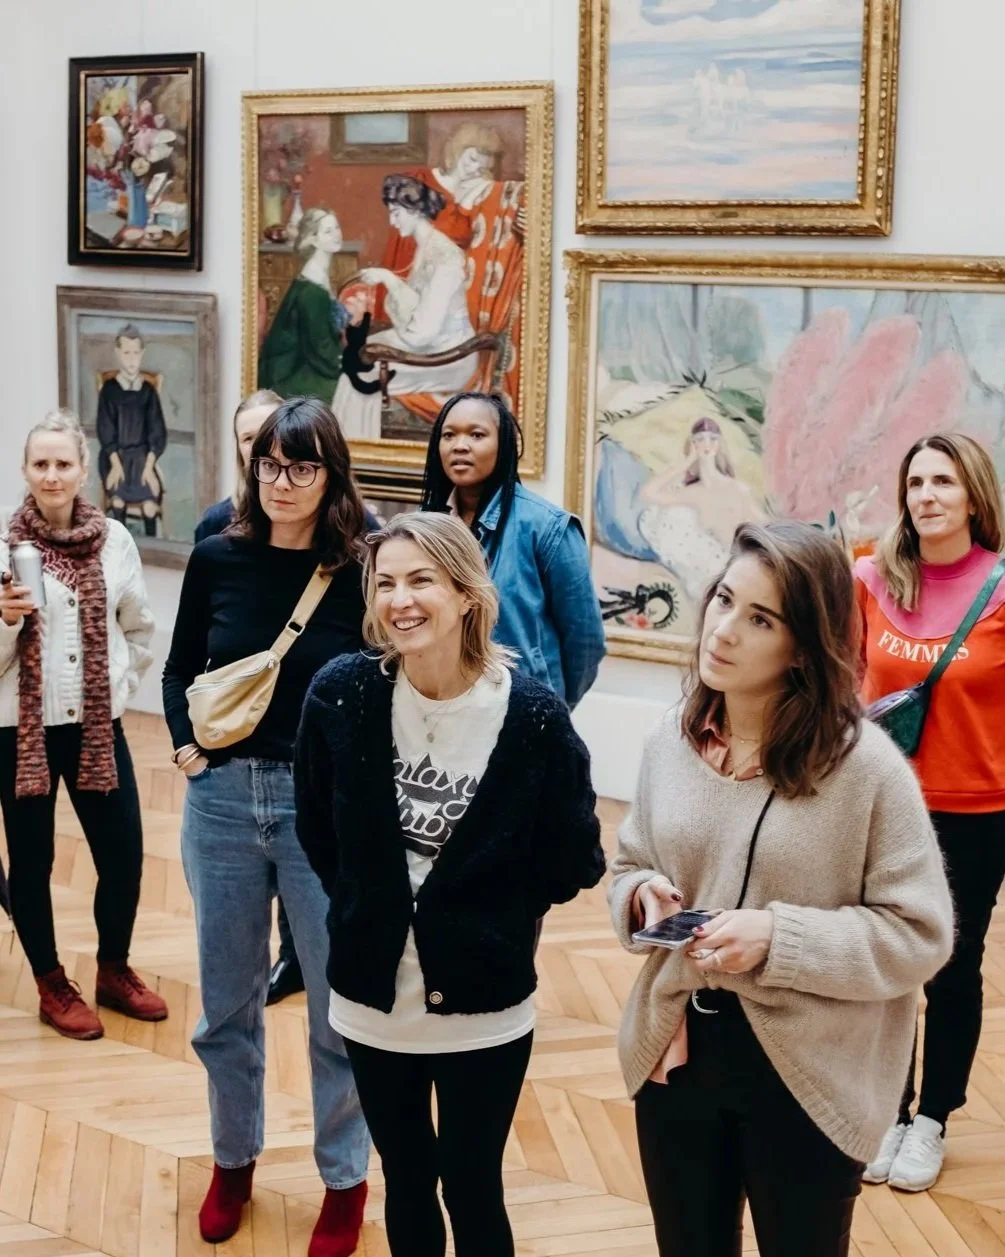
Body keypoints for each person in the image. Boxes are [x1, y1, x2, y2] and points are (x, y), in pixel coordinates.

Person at [610, 519, 953, 1257]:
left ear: (802, 645)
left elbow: (919, 933)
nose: (722, 629)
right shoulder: (670, 737)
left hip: (808, 1070)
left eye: (758, 618)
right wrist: (641, 898)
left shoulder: (865, 771)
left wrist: (776, 937)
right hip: (678, 1052)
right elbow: (628, 859)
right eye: (724, 599)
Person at [294, 511, 606, 1257]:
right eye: (386, 581)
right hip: (373, 1002)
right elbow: (319, 830)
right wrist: (371, 905)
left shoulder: (530, 715)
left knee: (472, 1184)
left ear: (467, 593)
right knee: (406, 1177)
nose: (400, 599)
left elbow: (574, 857)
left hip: (484, 1009)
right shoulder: (341, 694)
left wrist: (488, 914)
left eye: (421, 580)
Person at [162, 397, 370, 1254]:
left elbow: (385, 685)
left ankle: (344, 1179)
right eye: (270, 466)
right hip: (221, 800)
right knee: (225, 1005)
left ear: (331, 474)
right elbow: (180, 666)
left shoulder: (361, 567)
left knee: (336, 1008)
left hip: (320, 809)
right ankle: (233, 1158)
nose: (282, 483)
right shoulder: (218, 557)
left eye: (302, 467)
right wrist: (184, 745)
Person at [857, 432, 1005, 1193]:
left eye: (942, 480)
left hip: (978, 810)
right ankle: (886, 1105)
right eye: (914, 480)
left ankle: (932, 1118)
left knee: (950, 966)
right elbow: (849, 685)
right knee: (883, 964)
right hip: (883, 804)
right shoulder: (871, 576)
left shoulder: (1002, 584)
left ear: (973, 494)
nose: (926, 494)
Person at [0, 410, 167, 1040]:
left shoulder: (116, 542)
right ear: (25, 470)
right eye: (40, 463)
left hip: (97, 727)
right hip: (20, 733)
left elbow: (139, 628)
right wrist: (8, 621)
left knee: (123, 855)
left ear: (82, 469)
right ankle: (50, 982)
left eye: (63, 463)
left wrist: (116, 690)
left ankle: (113, 970)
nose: (51, 475)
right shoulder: (1, 550)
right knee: (33, 861)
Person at [193, 387, 306, 1006]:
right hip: (234, 749)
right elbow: (194, 649)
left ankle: (295, 955)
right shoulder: (216, 531)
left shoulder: (350, 540)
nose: (269, 457)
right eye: (253, 444)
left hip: (305, 754)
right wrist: (190, 746)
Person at [420, 391, 605, 707]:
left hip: (521, 714)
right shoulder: (427, 526)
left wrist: (550, 707)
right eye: (448, 435)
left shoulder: (549, 527)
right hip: (444, 708)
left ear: (503, 445)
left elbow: (585, 642)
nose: (459, 445)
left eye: (476, 435)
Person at [334, 175, 478, 440]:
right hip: (429, 343)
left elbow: (423, 331)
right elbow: (416, 312)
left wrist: (389, 280)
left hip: (449, 357)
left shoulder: (445, 258)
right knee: (350, 362)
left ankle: (358, 455)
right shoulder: (425, 246)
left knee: (356, 380)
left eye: (396, 213)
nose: (392, 221)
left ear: (415, 211)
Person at [257, 209, 354, 401]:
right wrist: (349, 364)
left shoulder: (318, 276)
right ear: (313, 240)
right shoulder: (311, 291)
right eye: (328, 231)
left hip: (310, 363)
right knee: (353, 393)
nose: (337, 234)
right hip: (292, 376)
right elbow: (321, 348)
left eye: (337, 227)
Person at [96, 323, 167, 535]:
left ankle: (152, 548)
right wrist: (116, 465)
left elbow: (157, 431)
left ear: (142, 354)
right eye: (126, 353)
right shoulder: (109, 390)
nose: (132, 359)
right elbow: (105, 431)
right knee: (117, 502)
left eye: (136, 353)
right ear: (118, 353)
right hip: (115, 458)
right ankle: (121, 544)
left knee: (149, 505)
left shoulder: (148, 391)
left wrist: (149, 468)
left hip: (143, 459)